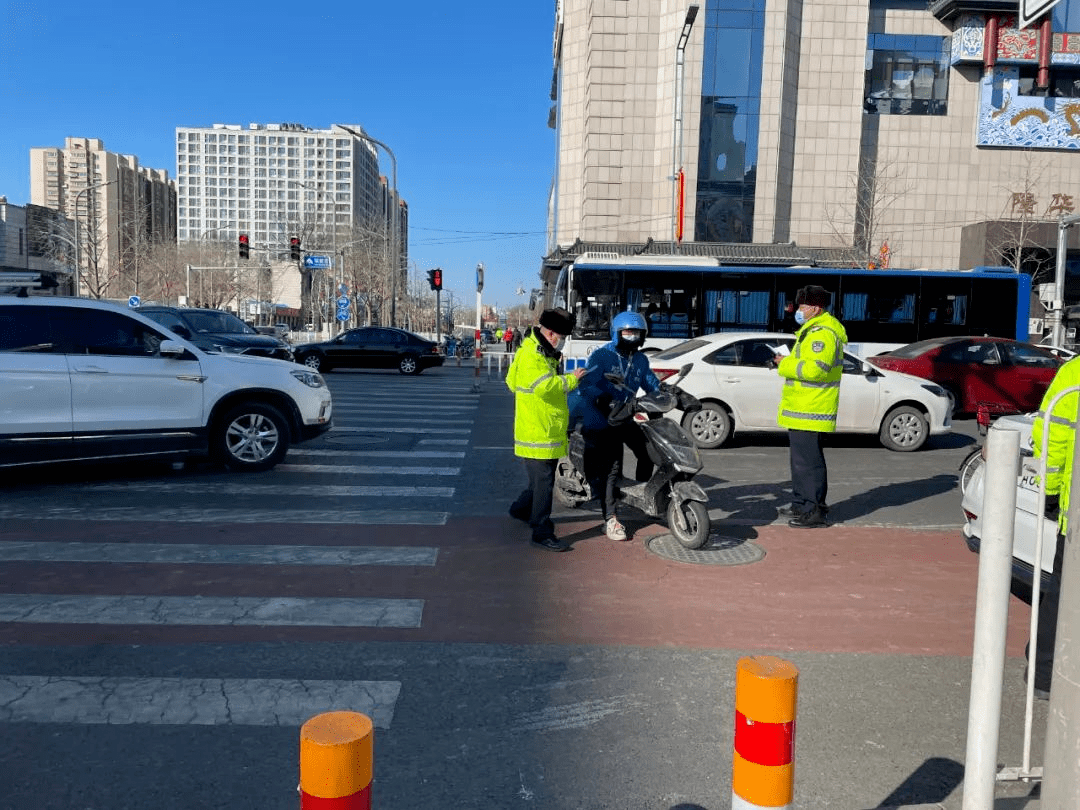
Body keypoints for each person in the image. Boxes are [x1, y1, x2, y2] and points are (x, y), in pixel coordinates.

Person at [569, 311, 662, 541]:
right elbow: (587, 385)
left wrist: (670, 394)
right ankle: (610, 519)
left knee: (647, 452)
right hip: (600, 418)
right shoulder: (602, 356)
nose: (632, 336)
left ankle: (643, 496)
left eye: (637, 333)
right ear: (617, 333)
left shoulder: (641, 359)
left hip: (625, 417)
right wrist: (602, 398)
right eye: (627, 332)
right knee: (612, 468)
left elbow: (652, 384)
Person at [506, 308, 588, 551]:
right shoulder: (533, 355)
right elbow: (544, 387)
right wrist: (571, 379)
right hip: (538, 431)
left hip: (539, 428)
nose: (561, 340)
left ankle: (519, 510)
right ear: (551, 333)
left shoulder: (534, 351)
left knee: (538, 482)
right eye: (560, 336)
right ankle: (541, 531)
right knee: (544, 484)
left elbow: (511, 381)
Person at [773, 285, 847, 528]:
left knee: (809, 464)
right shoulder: (811, 330)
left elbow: (816, 370)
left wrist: (784, 365)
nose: (798, 310)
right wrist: (786, 361)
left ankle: (813, 511)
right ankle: (800, 504)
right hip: (803, 409)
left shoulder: (822, 334)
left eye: (803, 306)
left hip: (812, 409)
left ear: (815, 308)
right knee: (799, 463)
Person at [1029, 355, 1079, 698]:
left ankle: (1044, 675)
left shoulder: (1074, 372)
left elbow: (1052, 437)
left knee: (1061, 594)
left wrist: (1048, 491)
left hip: (1075, 512)